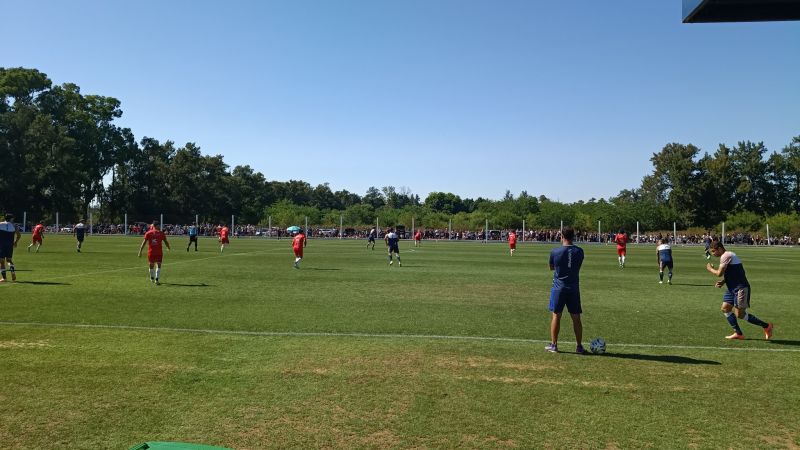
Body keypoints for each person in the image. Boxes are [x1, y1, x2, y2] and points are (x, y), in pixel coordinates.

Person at [706, 240, 773, 340]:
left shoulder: (726, 255)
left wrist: (710, 269)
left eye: (713, 251)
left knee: (740, 314)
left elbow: (719, 273)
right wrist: (724, 282)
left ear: (719, 249)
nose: (713, 254)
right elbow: (735, 272)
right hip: (732, 288)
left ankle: (767, 326)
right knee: (725, 308)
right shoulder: (728, 256)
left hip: (740, 289)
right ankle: (738, 333)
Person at [545, 227, 585, 354]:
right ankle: (579, 346)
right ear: (573, 236)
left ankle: (554, 345)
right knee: (576, 318)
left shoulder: (555, 252)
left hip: (558, 288)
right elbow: (577, 266)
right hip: (573, 287)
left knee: (556, 315)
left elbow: (551, 267)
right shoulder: (580, 251)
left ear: (562, 236)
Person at [138, 221, 171, 285]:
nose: (160, 226)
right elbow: (166, 241)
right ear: (156, 226)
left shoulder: (149, 233)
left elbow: (144, 242)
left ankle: (155, 279)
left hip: (152, 252)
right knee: (156, 265)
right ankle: (154, 278)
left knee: (154, 265)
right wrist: (168, 247)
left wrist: (140, 251)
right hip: (157, 252)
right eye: (159, 225)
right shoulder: (161, 233)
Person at [0, 214, 22, 283]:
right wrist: (15, 242)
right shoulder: (14, 225)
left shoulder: (0, 224)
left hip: (1, 245)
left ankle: (4, 278)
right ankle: (12, 271)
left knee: (2, 261)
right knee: (9, 260)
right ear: (11, 219)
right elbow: (19, 235)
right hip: (9, 245)